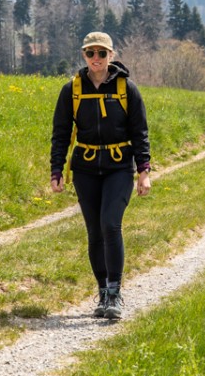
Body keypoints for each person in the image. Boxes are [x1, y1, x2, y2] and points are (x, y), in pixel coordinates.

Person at [50, 32, 151, 321]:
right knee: (94, 232)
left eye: (102, 53)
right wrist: (56, 169)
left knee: (110, 224)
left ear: (111, 55)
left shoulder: (126, 88)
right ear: (84, 55)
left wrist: (144, 172)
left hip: (119, 166)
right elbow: (60, 134)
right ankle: (103, 292)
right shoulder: (72, 89)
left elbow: (139, 132)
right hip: (85, 168)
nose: (96, 58)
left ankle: (115, 293)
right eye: (90, 53)